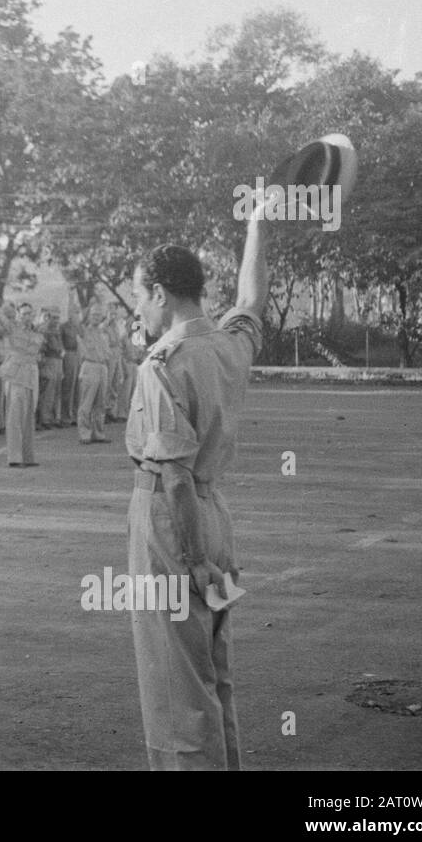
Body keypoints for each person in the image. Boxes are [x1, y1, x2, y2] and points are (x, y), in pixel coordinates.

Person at [125, 229, 266, 770]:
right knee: (214, 672)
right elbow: (251, 299)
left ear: (160, 292)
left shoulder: (164, 363)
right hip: (216, 517)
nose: (139, 308)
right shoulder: (229, 344)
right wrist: (257, 225)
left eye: (140, 295)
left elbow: (176, 477)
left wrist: (191, 560)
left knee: (174, 685)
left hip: (171, 522)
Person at [0, 302, 45, 467]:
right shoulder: (13, 328)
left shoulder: (37, 331)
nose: (27, 317)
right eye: (24, 313)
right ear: (18, 314)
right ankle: (15, 457)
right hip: (16, 374)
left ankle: (28, 456)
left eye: (30, 313)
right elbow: (1, 315)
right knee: (15, 415)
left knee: (29, 415)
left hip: (31, 374)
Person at [76, 304, 113, 444]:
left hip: (103, 367)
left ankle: (98, 433)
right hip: (90, 365)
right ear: (88, 316)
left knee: (100, 402)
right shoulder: (84, 331)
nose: (96, 317)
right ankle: (85, 433)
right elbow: (75, 320)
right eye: (93, 314)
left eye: (98, 315)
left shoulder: (104, 333)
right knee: (87, 401)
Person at [37, 307, 64, 429]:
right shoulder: (44, 330)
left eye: (57, 318)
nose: (56, 320)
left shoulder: (56, 330)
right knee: (48, 391)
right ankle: (45, 418)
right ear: (47, 318)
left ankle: (54, 417)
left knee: (56, 391)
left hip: (58, 361)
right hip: (49, 360)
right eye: (53, 317)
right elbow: (41, 348)